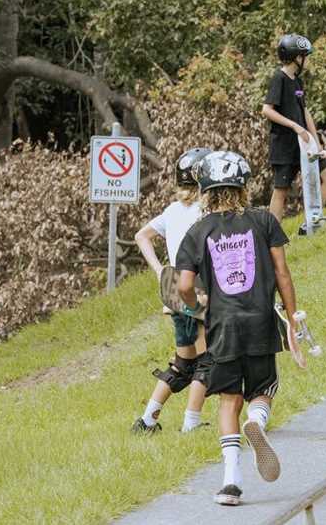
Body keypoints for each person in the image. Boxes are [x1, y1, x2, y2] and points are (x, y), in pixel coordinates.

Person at [176, 151, 305, 506]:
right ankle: (258, 422)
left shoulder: (197, 231)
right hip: (260, 319)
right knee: (264, 387)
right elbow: (282, 273)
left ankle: (230, 483)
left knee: (227, 400)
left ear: (205, 189)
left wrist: (196, 308)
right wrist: (293, 318)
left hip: (222, 326)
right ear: (243, 185)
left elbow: (184, 284)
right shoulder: (263, 221)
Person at [131, 148, 211, 435]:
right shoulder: (206, 212)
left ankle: (147, 421)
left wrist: (159, 271)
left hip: (172, 288)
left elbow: (142, 236)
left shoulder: (172, 210)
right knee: (207, 360)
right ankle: (191, 423)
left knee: (183, 363)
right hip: (196, 287)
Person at [262, 34, 326, 231]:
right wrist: (294, 126)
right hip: (285, 145)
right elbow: (267, 110)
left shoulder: (298, 81)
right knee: (281, 190)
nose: (307, 60)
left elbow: (305, 111)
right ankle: (272, 235)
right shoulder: (279, 78)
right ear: (296, 57)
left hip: (306, 143)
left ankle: (310, 223)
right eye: (305, 56)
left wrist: (316, 141)